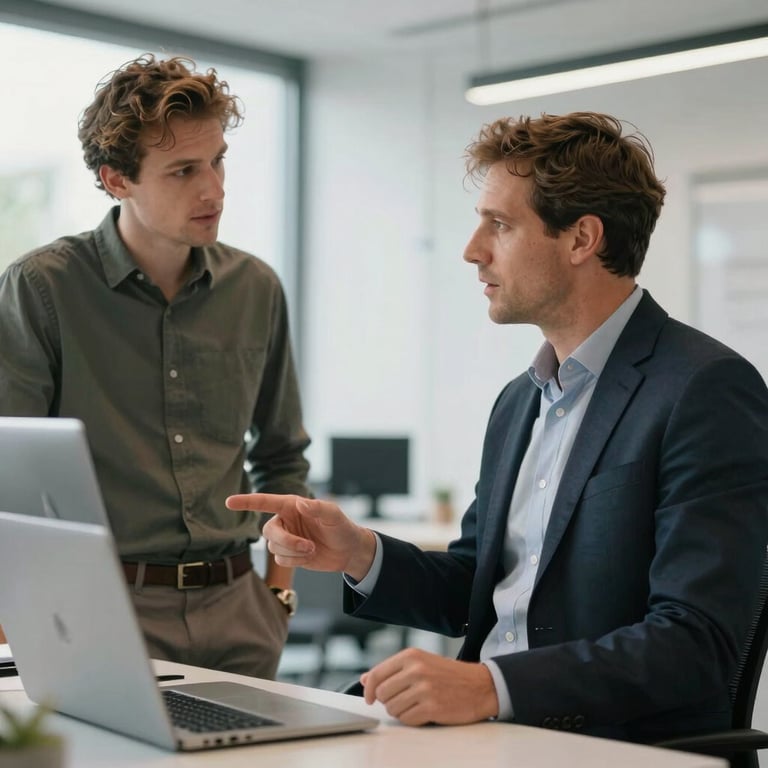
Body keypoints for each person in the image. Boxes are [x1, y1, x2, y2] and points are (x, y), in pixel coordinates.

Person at [226, 112, 768, 740]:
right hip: (490, 734)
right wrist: (359, 552)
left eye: (501, 225)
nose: (472, 249)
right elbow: (474, 587)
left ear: (581, 239)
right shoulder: (520, 400)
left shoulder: (704, 389)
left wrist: (491, 686)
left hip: (601, 743)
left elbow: (695, 644)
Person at [0, 54, 311, 679]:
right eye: (183, 171)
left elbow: (283, 457)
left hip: (241, 612)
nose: (214, 189)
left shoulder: (256, 288)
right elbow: (10, 477)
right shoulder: (42, 288)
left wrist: (277, 595)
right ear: (118, 181)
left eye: (219, 160)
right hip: (101, 612)